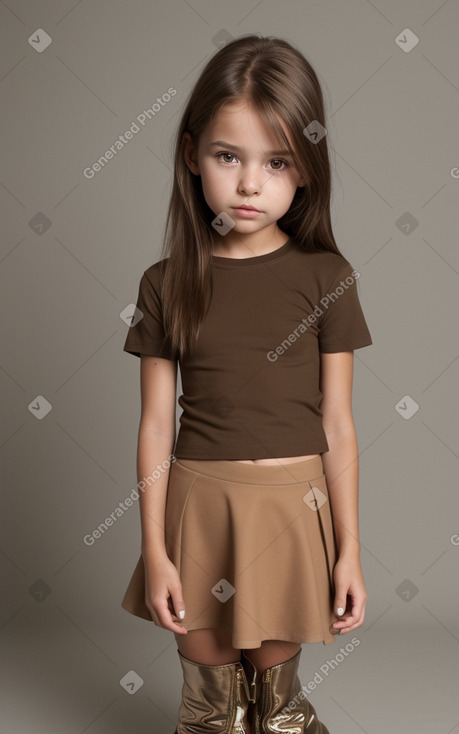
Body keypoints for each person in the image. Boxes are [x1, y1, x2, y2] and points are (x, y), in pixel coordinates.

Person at [120, 34, 373, 734]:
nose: (249, 183)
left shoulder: (326, 277)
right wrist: (155, 549)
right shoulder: (165, 284)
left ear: (305, 170)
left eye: (277, 161)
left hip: (292, 513)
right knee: (211, 715)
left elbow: (338, 424)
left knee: (279, 712)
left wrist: (349, 548)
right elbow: (154, 426)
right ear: (192, 154)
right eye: (228, 157)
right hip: (198, 511)